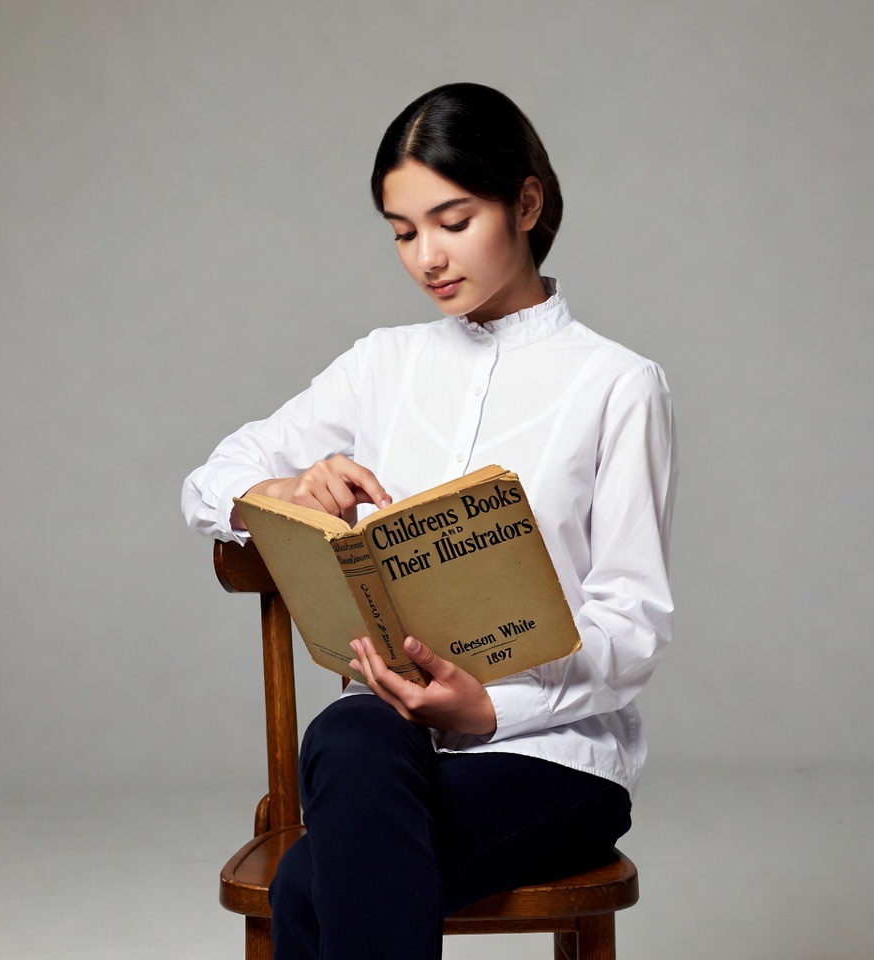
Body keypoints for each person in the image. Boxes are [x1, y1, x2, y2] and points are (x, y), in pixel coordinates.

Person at [182, 82, 677, 960]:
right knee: (351, 725)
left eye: (453, 221)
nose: (427, 258)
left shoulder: (617, 384)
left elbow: (632, 622)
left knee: (309, 881)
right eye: (403, 232)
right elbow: (209, 482)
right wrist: (292, 489)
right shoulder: (382, 365)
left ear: (525, 202)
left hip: (549, 757)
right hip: (387, 748)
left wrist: (490, 708)